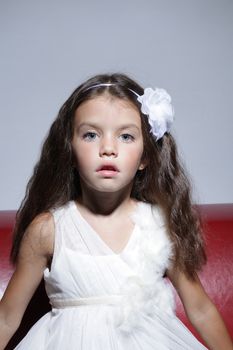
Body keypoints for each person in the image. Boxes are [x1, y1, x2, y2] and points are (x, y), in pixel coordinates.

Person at [0, 73, 232, 350]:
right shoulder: (48, 229)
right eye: (90, 135)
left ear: (146, 157)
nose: (108, 148)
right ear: (70, 152)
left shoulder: (160, 226)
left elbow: (200, 308)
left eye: (125, 136)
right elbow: (6, 317)